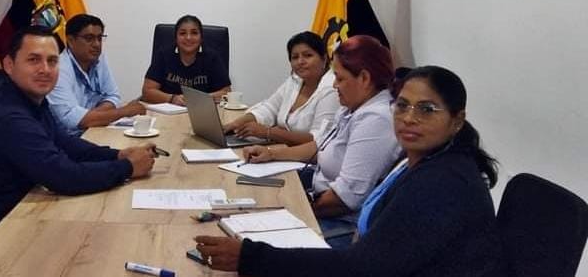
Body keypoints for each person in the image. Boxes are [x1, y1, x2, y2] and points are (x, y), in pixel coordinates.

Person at [194, 65, 506, 277]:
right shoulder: (423, 160)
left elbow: (361, 267)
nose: (409, 118)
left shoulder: (443, 183)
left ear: (456, 120)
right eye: (402, 105)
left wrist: (251, 257)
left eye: (426, 109)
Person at [0, 26, 156, 238]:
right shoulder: (11, 118)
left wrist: (117, 155)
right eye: (33, 60)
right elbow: (63, 176)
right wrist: (128, 167)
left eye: (52, 61)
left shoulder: (29, 99)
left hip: (17, 214)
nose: (45, 69)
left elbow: (63, 142)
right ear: (9, 65)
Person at [236, 35, 401, 247]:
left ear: (364, 78)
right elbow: (319, 145)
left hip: (341, 224)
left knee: (253, 242)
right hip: (319, 199)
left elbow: (344, 199)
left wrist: (293, 211)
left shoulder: (376, 120)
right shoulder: (353, 107)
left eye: (339, 78)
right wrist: (271, 154)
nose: (334, 85)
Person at [224, 31, 339, 146]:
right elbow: (269, 108)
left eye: (308, 55)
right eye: (295, 57)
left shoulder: (332, 89)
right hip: (281, 148)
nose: (300, 61)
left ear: (324, 59)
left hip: (307, 155)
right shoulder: (295, 80)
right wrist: (236, 123)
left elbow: (318, 140)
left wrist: (267, 132)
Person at [46, 14, 145, 137]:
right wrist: (124, 112)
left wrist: (92, 117)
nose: (97, 44)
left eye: (99, 38)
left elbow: (113, 96)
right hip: (69, 139)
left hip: (95, 128)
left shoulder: (99, 59)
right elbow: (71, 119)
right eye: (89, 38)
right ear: (71, 41)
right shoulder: (59, 69)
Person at [142, 14, 231, 105]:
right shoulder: (164, 55)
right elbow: (147, 91)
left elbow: (226, 93)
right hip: (168, 108)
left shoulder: (212, 58)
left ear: (201, 38)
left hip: (202, 109)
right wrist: (172, 99)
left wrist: (198, 99)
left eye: (194, 33)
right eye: (182, 33)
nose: (188, 38)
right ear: (176, 38)